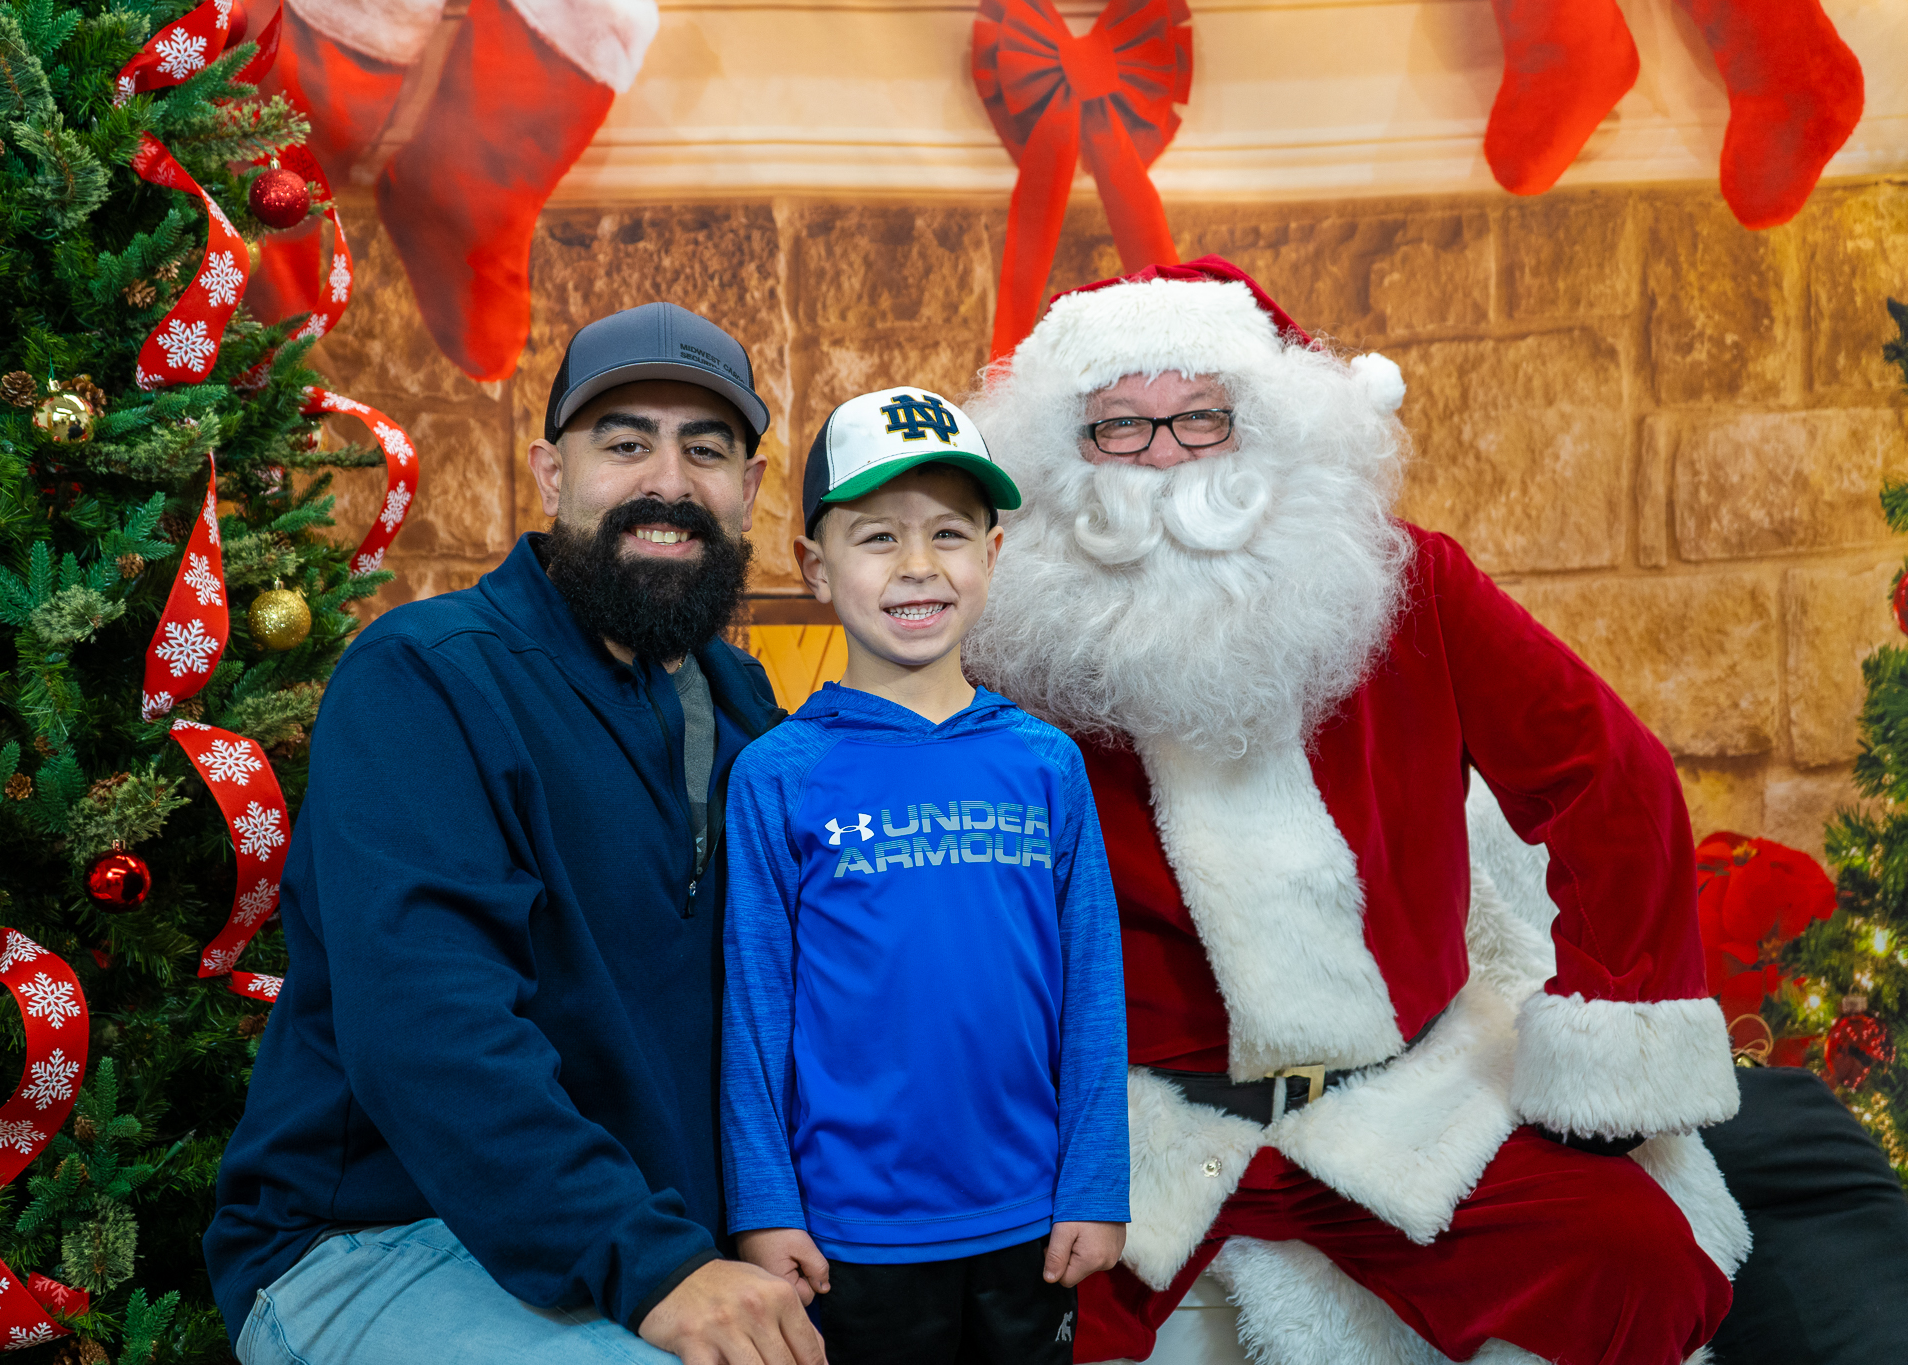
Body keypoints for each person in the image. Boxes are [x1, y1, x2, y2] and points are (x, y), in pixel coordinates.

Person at [961, 258, 1746, 1365]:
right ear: (1055, 454)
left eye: (1201, 417)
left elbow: (1603, 776)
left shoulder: (1406, 583)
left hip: (1400, 1104)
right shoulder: (1006, 637)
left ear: (1271, 426)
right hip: (1129, 1133)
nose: (1164, 458)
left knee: (1637, 1266)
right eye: (1116, 429)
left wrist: (1609, 1030)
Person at [205, 302, 827, 1365]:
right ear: (549, 473)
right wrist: (654, 1264)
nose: (667, 485)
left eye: (705, 450)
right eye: (624, 443)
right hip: (380, 1242)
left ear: (750, 492)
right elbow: (427, 1024)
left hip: (650, 1243)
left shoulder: (750, 719)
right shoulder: (425, 678)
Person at [720, 389, 1130, 1363]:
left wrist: (1095, 1186)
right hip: (846, 1234)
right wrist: (762, 1207)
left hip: (1028, 1222)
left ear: (991, 558)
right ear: (814, 568)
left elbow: (1090, 993)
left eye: (948, 534)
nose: (917, 567)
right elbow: (752, 1011)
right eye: (876, 539)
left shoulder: (1044, 764)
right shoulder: (776, 774)